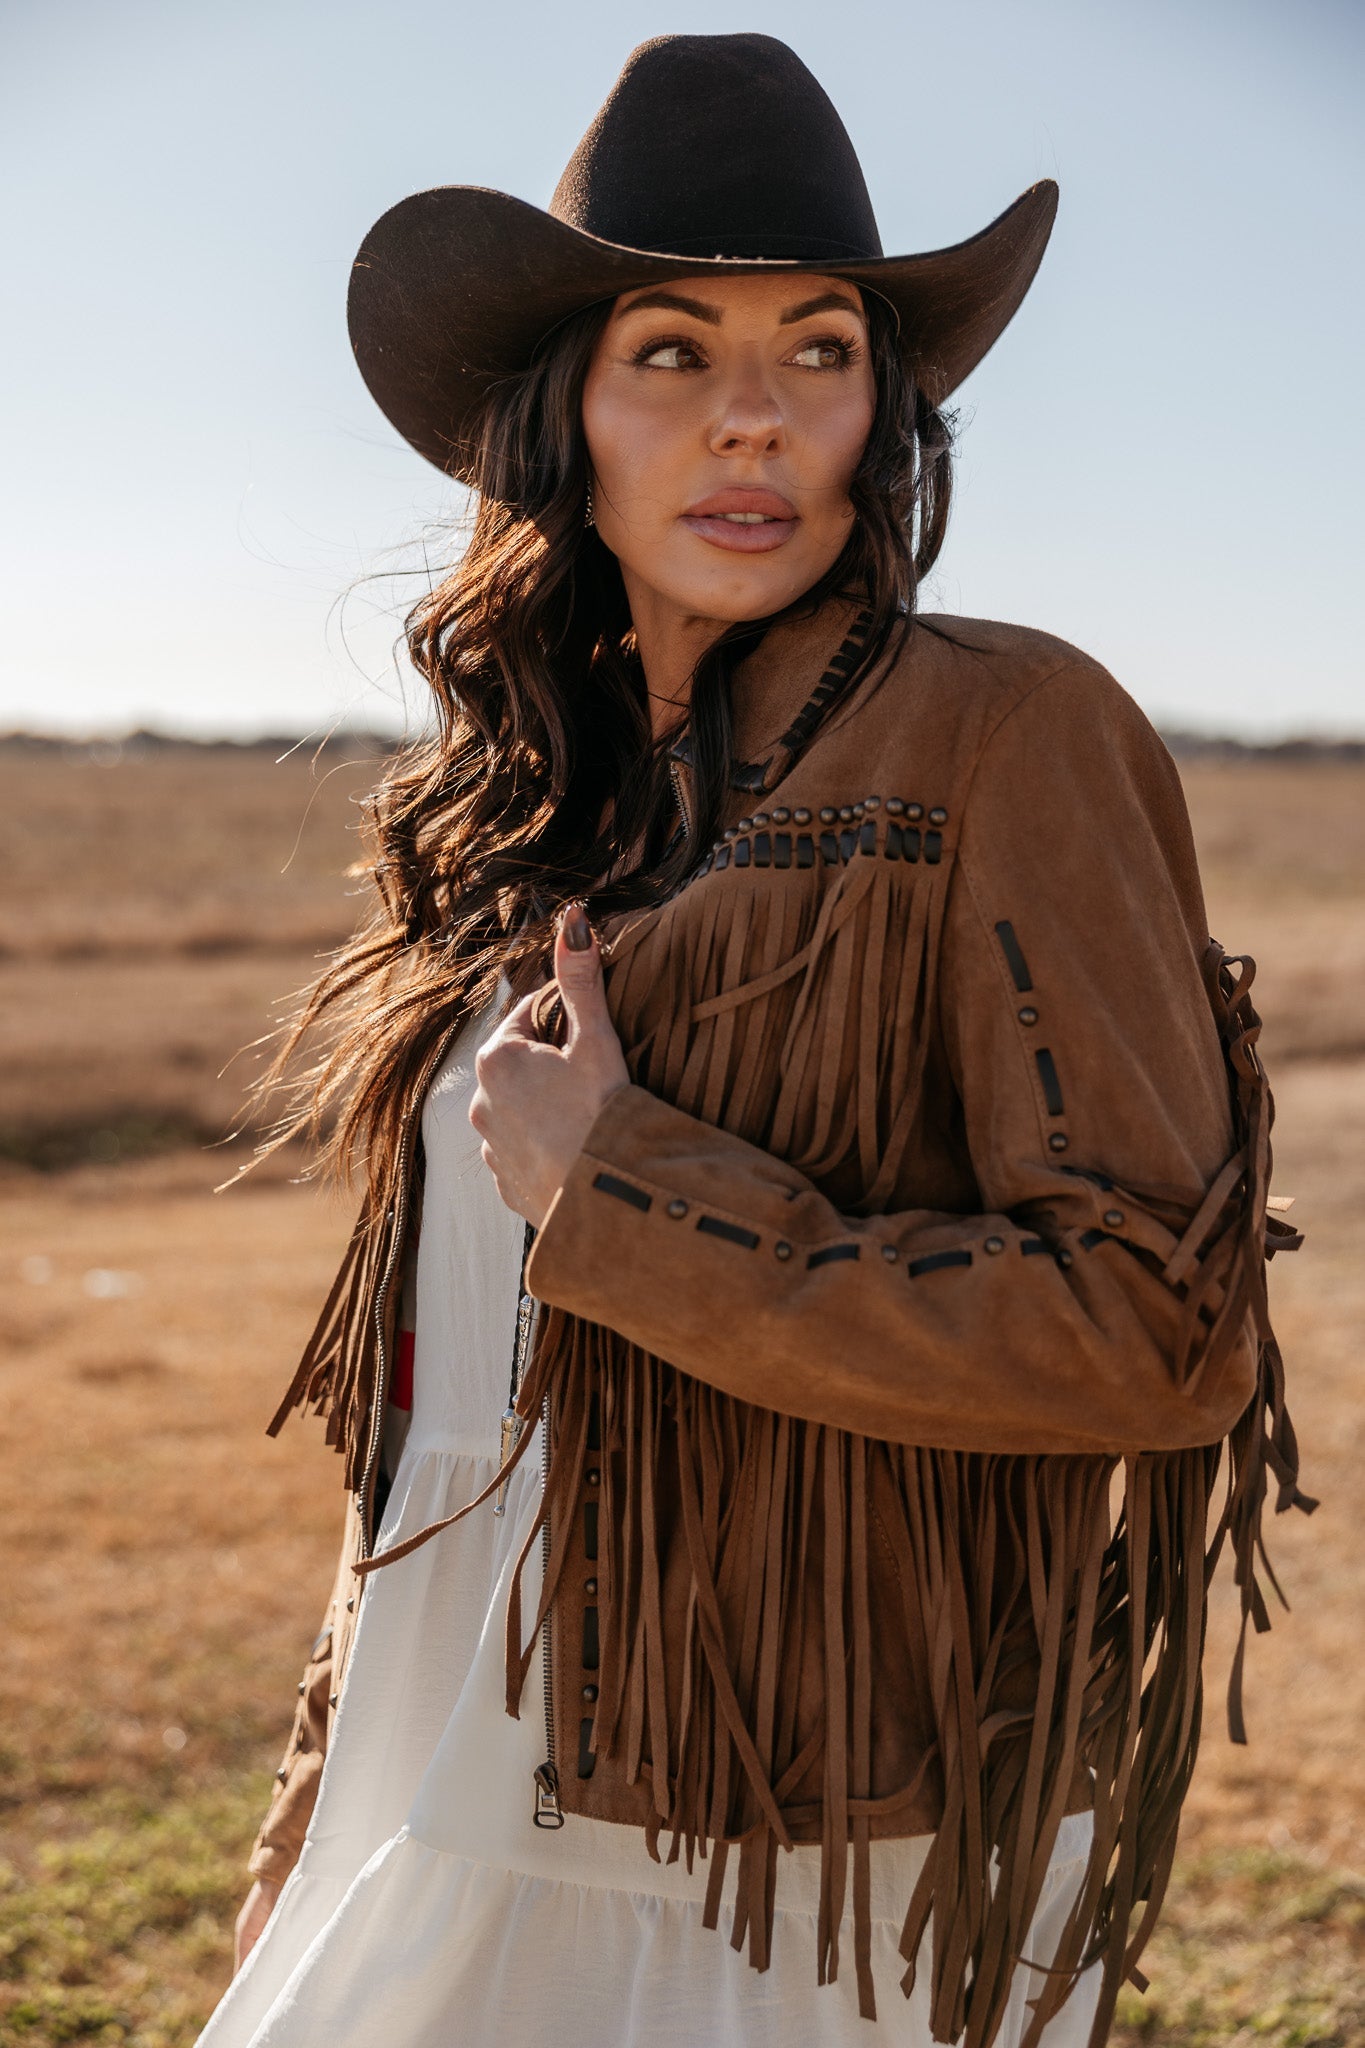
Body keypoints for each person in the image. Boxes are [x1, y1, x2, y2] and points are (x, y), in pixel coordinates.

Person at [199, 33, 1311, 2048]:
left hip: (790, 1841)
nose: (752, 418)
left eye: (818, 350)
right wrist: (311, 1803)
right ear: (561, 416)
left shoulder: (999, 730)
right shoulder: (525, 805)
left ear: (881, 411)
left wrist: (626, 1193)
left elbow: (1159, 1327)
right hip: (436, 1772)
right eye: (670, 352)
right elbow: (444, 1409)